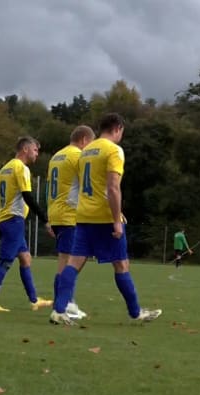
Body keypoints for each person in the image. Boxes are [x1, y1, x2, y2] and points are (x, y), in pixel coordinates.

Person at [51, 113, 162, 325]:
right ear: (118, 128)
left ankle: (58, 310)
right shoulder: (114, 150)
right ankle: (136, 312)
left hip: (83, 215)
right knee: (121, 264)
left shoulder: (86, 152)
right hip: (104, 217)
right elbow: (112, 187)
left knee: (73, 264)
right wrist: (117, 219)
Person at [0, 137, 54, 313]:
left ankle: (34, 300)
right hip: (14, 220)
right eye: (35, 150)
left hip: (6, 220)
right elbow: (27, 196)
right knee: (5, 262)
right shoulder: (21, 168)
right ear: (25, 149)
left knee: (25, 258)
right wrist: (45, 220)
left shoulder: (5, 168)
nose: (37, 153)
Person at [47, 125, 95, 320]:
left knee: (65, 259)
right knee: (70, 261)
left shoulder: (56, 156)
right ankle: (64, 304)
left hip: (56, 212)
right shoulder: (77, 156)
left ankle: (68, 301)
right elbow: (87, 185)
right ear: (84, 140)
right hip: (70, 214)